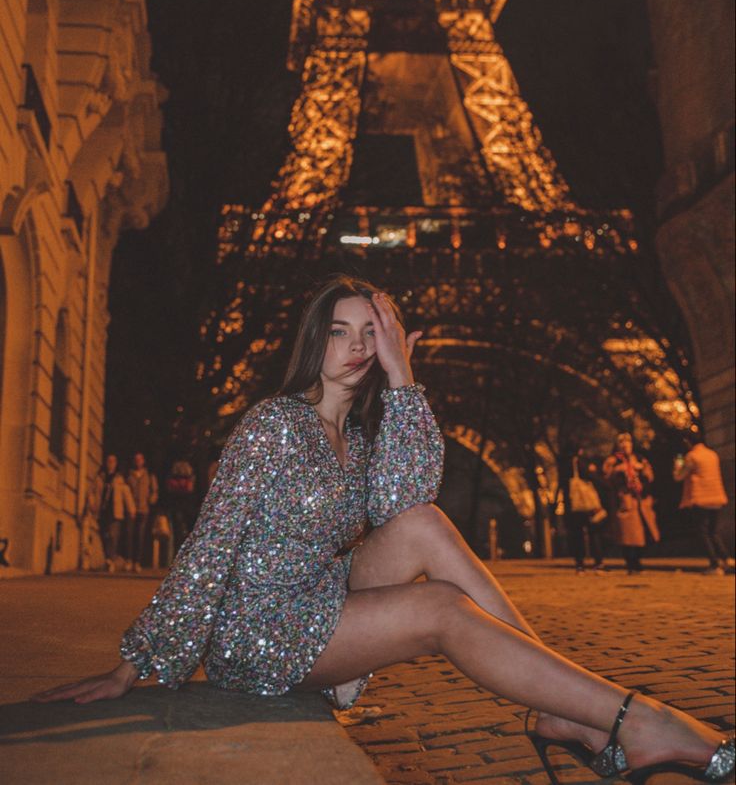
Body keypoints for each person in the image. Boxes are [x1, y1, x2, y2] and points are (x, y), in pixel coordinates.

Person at [33, 278, 734, 783]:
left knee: (425, 523)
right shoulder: (272, 424)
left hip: (317, 596)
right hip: (260, 630)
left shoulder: (361, 441)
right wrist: (141, 661)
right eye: (340, 330)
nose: (356, 345)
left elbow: (409, 503)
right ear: (316, 340)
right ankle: (632, 720)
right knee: (438, 611)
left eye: (371, 332)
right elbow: (209, 546)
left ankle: (571, 708)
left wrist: (403, 376)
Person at [674, 431, 730, 575]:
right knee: (714, 531)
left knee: (703, 532)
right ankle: (726, 559)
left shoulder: (692, 456)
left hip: (701, 499)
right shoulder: (712, 454)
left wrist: (677, 466)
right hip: (717, 497)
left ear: (688, 441)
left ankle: (714, 564)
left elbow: (679, 477)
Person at [602, 432, 660, 575]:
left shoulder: (639, 458)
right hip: (625, 501)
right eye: (622, 442)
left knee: (644, 533)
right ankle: (632, 563)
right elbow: (606, 479)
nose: (625, 444)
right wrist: (617, 472)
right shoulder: (613, 461)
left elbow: (650, 476)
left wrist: (642, 471)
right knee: (627, 535)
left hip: (641, 501)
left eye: (628, 441)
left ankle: (638, 560)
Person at [560, 444, 606, 574]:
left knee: (576, 535)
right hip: (585, 505)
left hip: (572, 504)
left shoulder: (563, 465)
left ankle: (579, 565)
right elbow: (591, 477)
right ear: (579, 451)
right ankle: (598, 563)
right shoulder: (579, 463)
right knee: (594, 532)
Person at [88, 454, 136, 572]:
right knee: (103, 535)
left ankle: (110, 559)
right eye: (109, 461)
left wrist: (131, 509)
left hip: (115, 512)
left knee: (113, 536)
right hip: (102, 511)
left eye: (113, 461)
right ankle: (108, 558)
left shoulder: (119, 479)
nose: (110, 463)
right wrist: (92, 504)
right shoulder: (100, 477)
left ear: (115, 464)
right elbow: (92, 492)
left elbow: (127, 494)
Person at [127, 452, 159, 572]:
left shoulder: (149, 475)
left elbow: (154, 490)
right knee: (129, 534)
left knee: (140, 535)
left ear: (143, 461)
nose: (138, 461)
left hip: (143, 508)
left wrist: (151, 499)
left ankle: (137, 561)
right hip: (131, 508)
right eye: (136, 459)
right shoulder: (129, 475)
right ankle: (129, 559)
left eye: (140, 459)